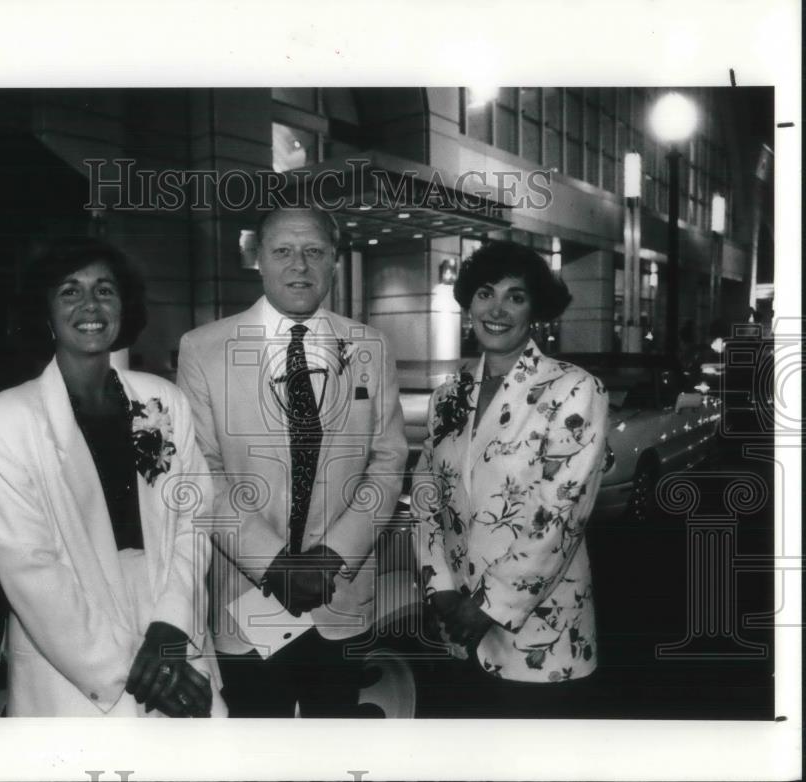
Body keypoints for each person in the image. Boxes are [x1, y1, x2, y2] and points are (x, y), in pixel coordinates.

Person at [0, 237, 224, 717]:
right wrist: (127, 668)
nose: (90, 305)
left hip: (172, 627)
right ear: (44, 311)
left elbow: (194, 521)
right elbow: (31, 568)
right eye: (69, 291)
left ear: (125, 306)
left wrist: (171, 627)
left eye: (105, 290)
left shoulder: (161, 401)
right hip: (74, 661)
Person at [177, 206, 408, 717]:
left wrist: (334, 556)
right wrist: (273, 563)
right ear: (257, 259)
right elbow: (199, 471)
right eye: (282, 251)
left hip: (341, 597)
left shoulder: (369, 346)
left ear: (333, 262)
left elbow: (388, 461)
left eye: (314, 252)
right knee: (259, 756)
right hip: (247, 601)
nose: (299, 265)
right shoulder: (204, 349)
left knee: (333, 745)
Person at [413, 241, 610, 716]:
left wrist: (483, 607)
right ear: (469, 303)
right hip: (457, 630)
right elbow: (425, 496)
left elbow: (558, 519)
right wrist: (438, 588)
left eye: (515, 296)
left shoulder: (575, 389)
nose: (497, 309)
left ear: (535, 310)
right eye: (485, 293)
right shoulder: (449, 394)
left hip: (541, 639)